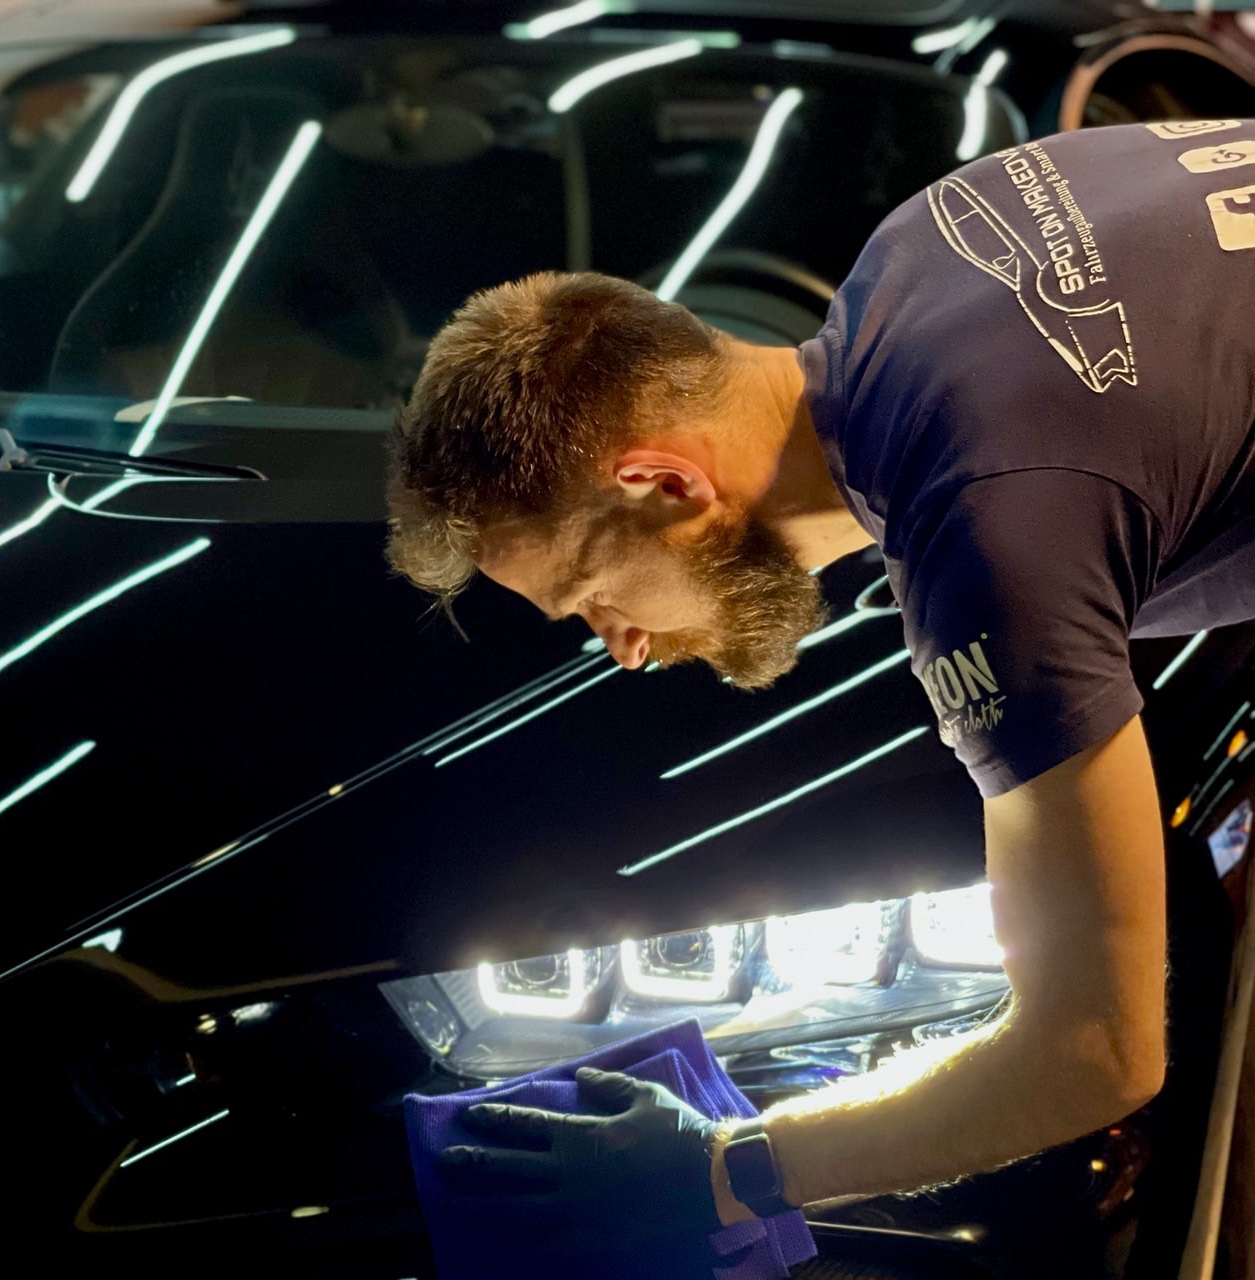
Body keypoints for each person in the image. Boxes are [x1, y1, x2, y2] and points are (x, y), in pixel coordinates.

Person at [385, 121, 1255, 1235]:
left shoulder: (985, 524)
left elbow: (1096, 1049)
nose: (625, 644)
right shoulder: (922, 247)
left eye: (596, 593)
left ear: (662, 482)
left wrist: (728, 1167)